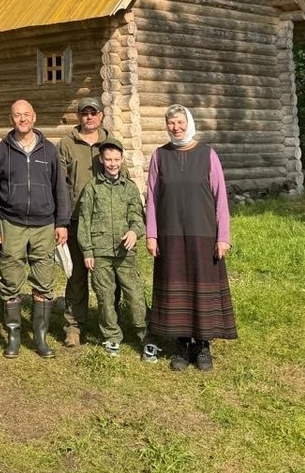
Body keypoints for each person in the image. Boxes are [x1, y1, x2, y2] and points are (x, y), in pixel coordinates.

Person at [143, 104, 237, 371]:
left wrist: (223, 237)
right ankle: (183, 346)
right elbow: (151, 198)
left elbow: (221, 199)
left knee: (201, 288)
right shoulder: (159, 156)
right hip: (170, 234)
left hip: (203, 233)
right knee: (177, 290)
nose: (176, 127)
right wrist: (152, 234)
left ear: (189, 123)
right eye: (171, 123)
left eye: (180, 122)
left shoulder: (207, 154)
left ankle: (203, 346)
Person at [0, 99, 69, 359]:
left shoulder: (49, 150)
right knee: (11, 280)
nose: (22, 119)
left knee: (44, 281)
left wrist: (62, 222)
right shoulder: (1, 151)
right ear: (11, 119)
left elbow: (60, 187)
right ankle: (13, 337)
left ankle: (40, 338)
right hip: (10, 223)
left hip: (44, 225)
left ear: (34, 117)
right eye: (17, 115)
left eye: (26, 115)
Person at [77, 137, 146, 356]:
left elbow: (138, 218)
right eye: (108, 159)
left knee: (134, 293)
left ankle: (144, 334)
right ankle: (111, 336)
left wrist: (135, 232)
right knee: (105, 295)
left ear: (122, 159)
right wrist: (87, 251)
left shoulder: (130, 188)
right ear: (102, 160)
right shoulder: (92, 188)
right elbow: (84, 220)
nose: (113, 163)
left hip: (125, 252)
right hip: (100, 252)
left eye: (116, 159)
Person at [57, 96, 110, 347]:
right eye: (84, 113)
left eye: (93, 113)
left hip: (106, 222)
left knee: (107, 278)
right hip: (76, 219)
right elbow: (59, 183)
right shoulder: (66, 144)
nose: (89, 117)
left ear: (101, 116)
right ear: (79, 117)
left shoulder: (110, 142)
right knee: (76, 277)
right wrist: (61, 220)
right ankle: (74, 327)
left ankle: (110, 325)